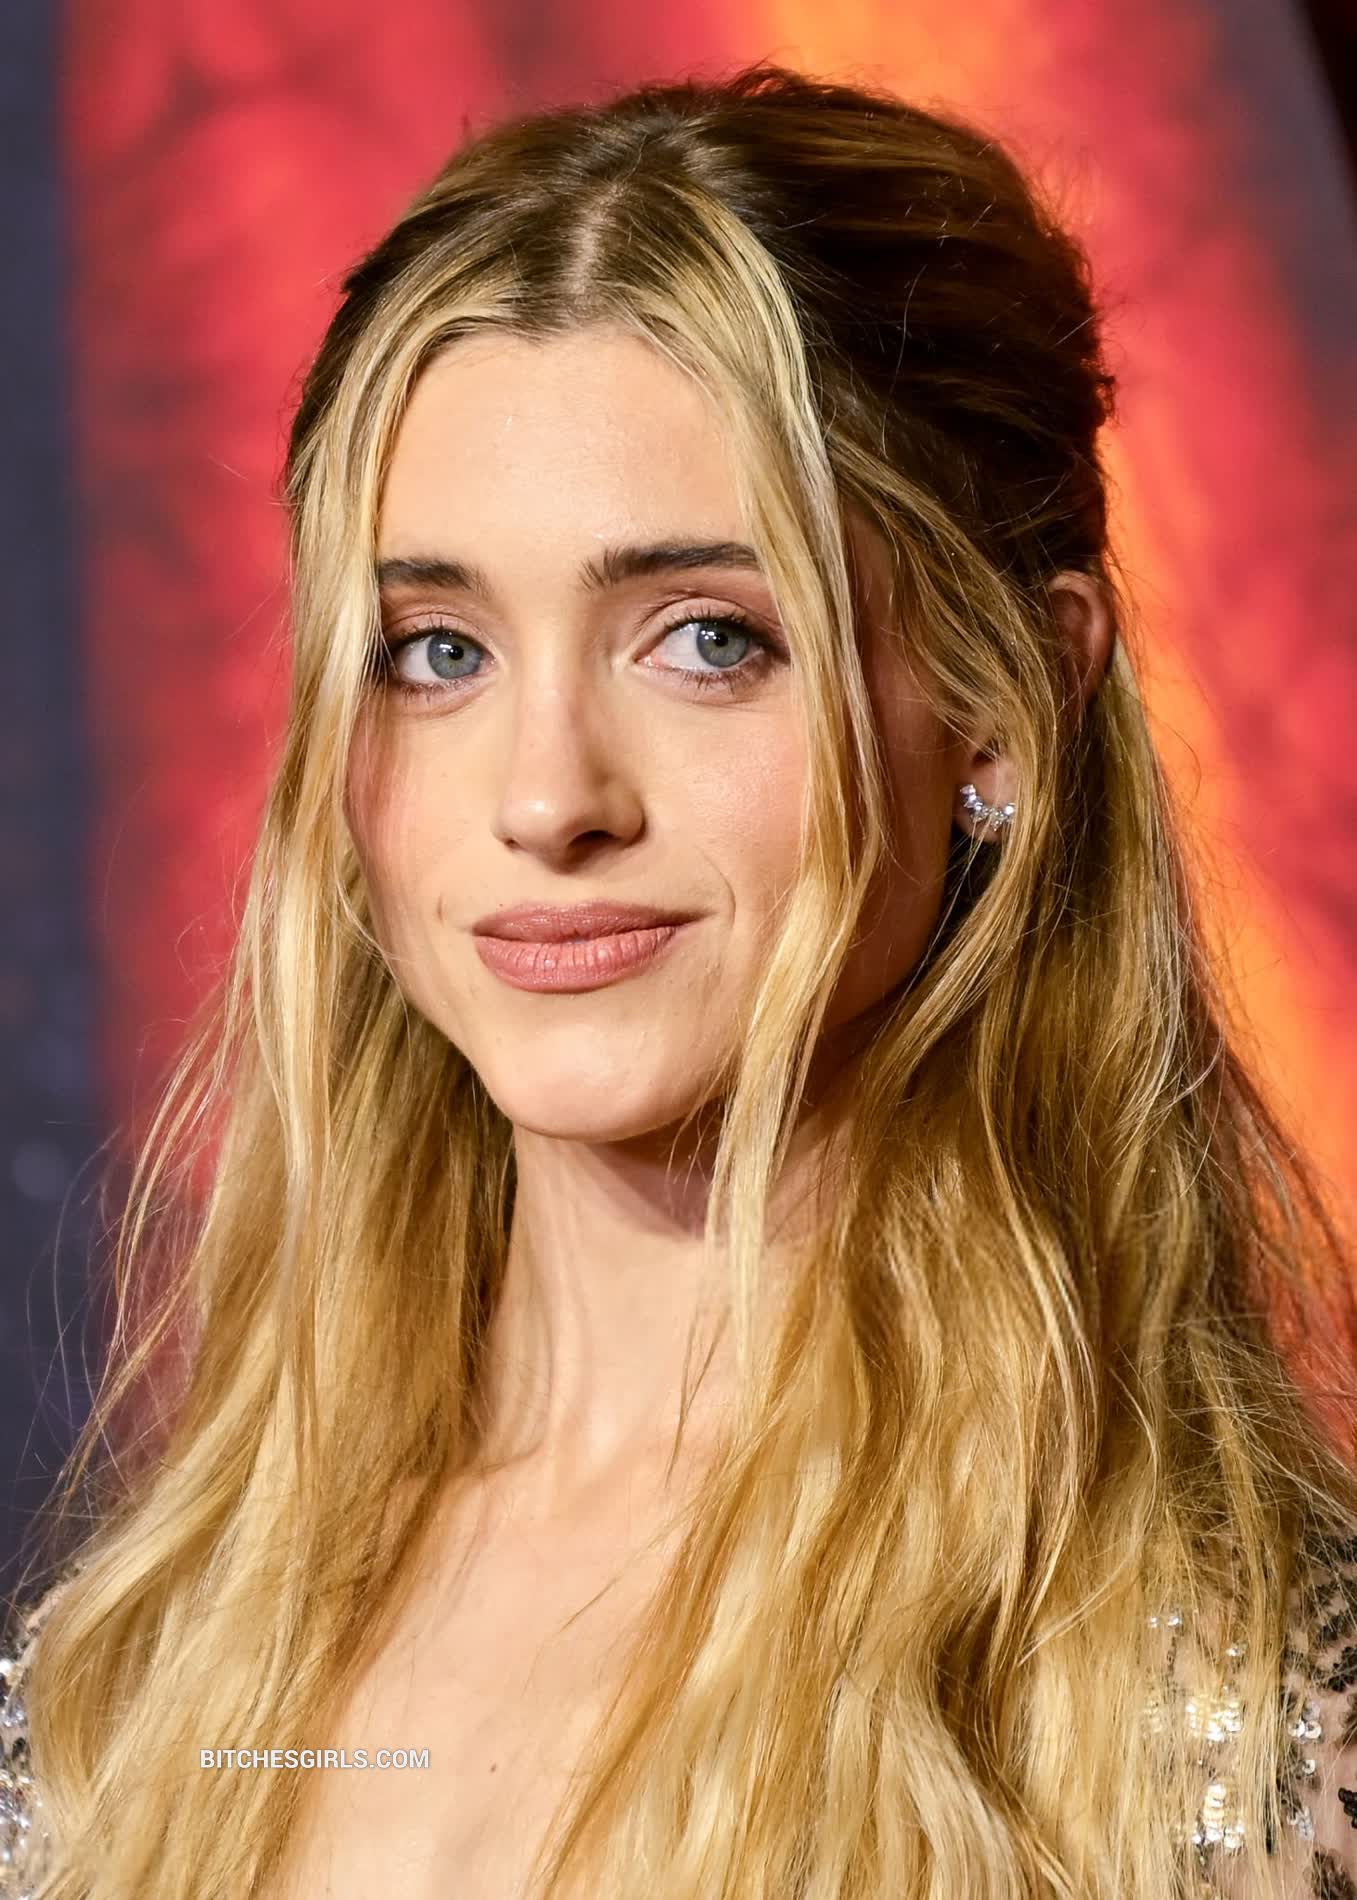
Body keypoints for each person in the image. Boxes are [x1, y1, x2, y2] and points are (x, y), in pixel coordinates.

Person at [3, 60, 1356, 1900]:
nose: (545, 798)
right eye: (435, 651)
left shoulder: (1239, 1707)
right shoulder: (145, 1681)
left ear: (1004, 702)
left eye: (707, 638)